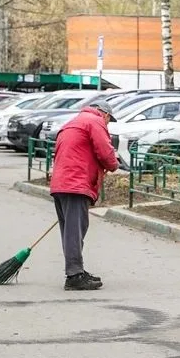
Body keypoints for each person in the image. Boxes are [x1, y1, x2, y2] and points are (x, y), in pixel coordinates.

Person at [49, 99, 118, 290]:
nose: (108, 124)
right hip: (75, 183)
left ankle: (76, 270)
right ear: (105, 114)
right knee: (74, 232)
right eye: (109, 120)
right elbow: (105, 151)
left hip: (62, 183)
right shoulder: (94, 121)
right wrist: (114, 164)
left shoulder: (73, 122)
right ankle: (74, 275)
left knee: (70, 231)